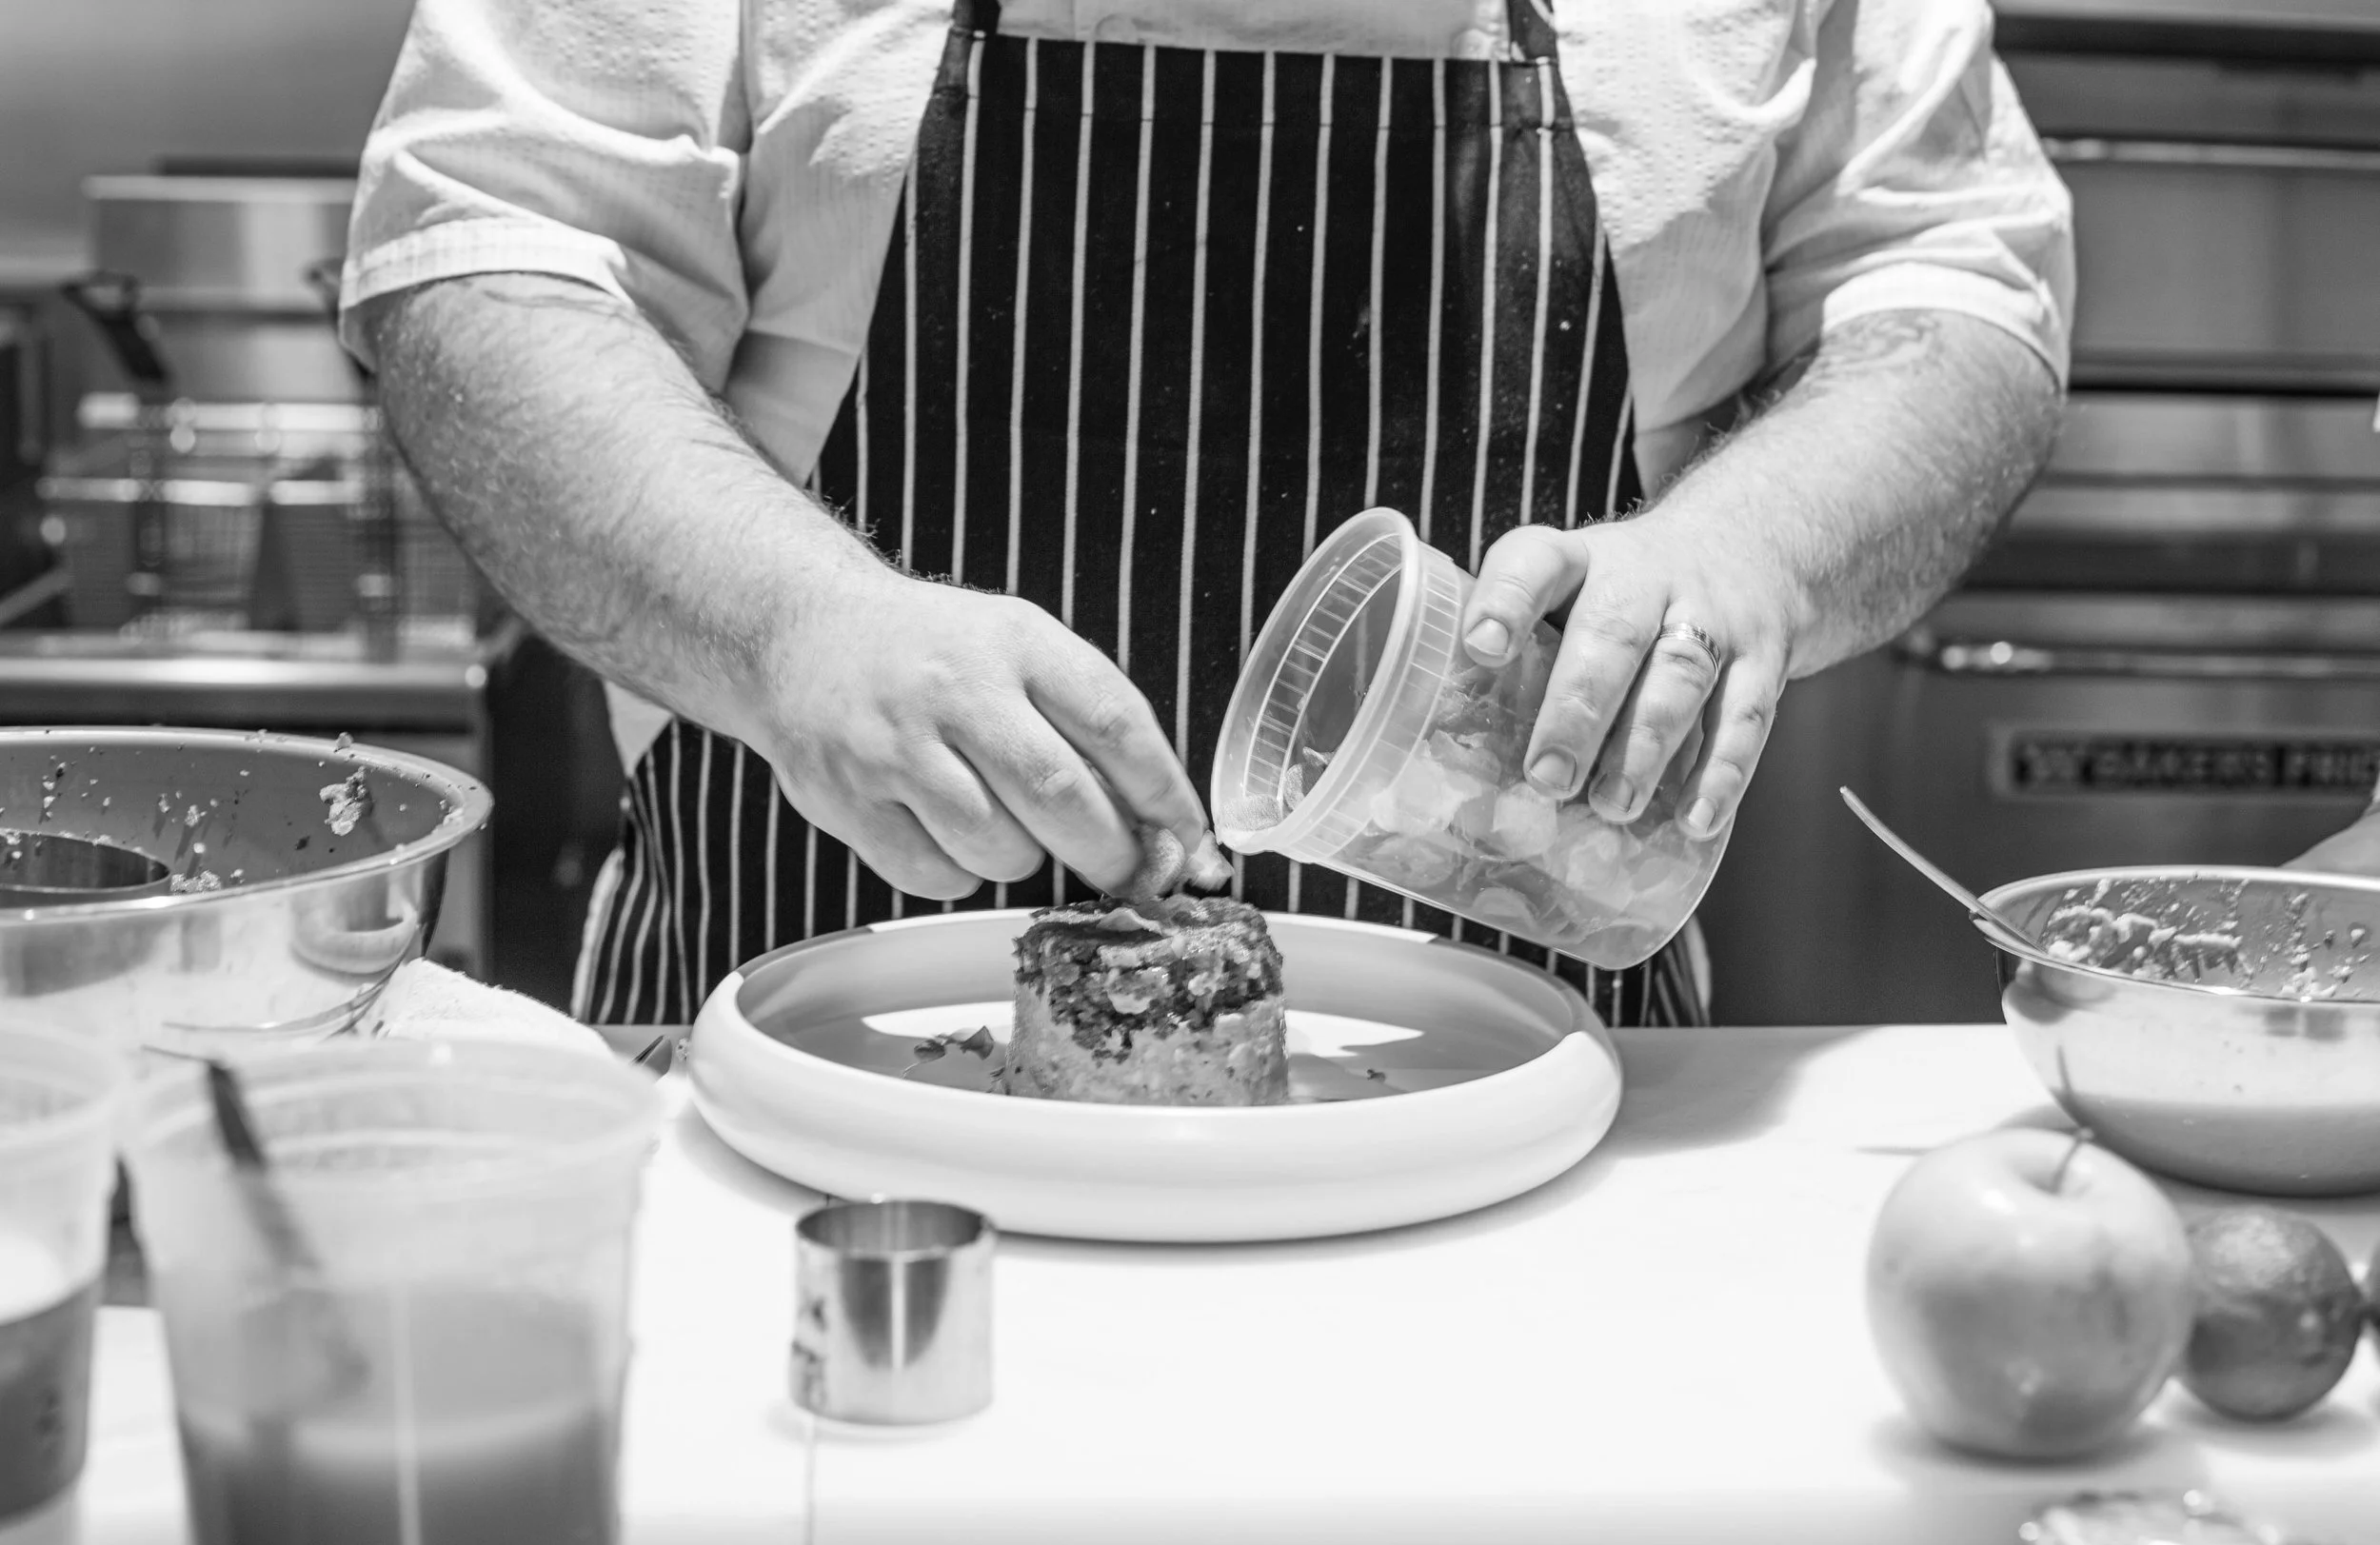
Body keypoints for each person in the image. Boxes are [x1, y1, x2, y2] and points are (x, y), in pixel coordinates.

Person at [341, 0, 2073, 1029]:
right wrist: (794, 623)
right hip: (812, 1114)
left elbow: (1947, 287)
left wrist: (1745, 548)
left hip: (1547, 1148)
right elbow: (490, 259)